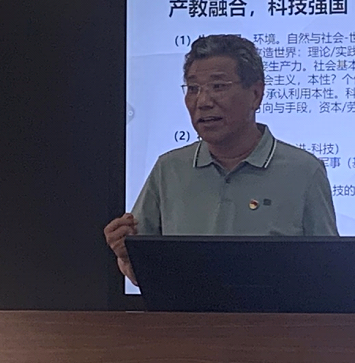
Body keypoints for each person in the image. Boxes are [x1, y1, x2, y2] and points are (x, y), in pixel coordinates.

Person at [104, 34, 338, 284]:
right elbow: (143, 270)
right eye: (193, 89)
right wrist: (126, 255)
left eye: (218, 87)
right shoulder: (169, 169)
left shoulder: (304, 171)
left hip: (272, 310)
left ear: (256, 94)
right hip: (189, 311)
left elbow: (329, 272)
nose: (203, 102)